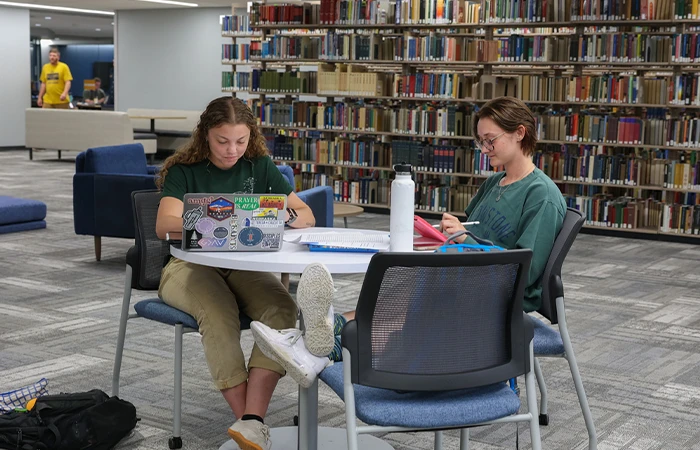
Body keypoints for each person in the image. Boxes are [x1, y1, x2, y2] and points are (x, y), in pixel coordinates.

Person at [250, 96, 568, 387]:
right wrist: (447, 233)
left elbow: (522, 268)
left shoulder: (541, 195)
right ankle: (316, 345)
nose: (484, 150)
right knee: (400, 282)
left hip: (495, 295)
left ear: (520, 133)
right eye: (480, 142)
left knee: (407, 290)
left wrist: (464, 237)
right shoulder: (496, 181)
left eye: (490, 140)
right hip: (466, 274)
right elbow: (467, 230)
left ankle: (310, 344)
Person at [155, 96, 316, 450]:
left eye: (240, 141)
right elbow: (164, 224)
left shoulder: (259, 166)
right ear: (205, 136)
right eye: (222, 141)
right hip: (188, 265)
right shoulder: (186, 170)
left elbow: (305, 214)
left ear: (250, 137)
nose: (232, 150)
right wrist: (217, 218)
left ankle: (250, 422)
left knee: (283, 308)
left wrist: (282, 216)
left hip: (245, 263)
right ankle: (251, 421)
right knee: (218, 312)